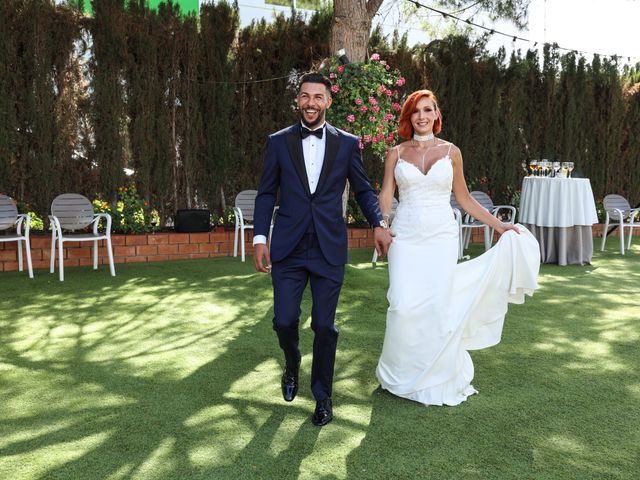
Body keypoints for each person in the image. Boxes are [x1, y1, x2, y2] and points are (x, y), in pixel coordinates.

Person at [375, 89, 540, 406]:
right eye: (415, 111)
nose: (422, 116)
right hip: (405, 236)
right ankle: (399, 374)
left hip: (441, 237)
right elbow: (386, 194)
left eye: (428, 110)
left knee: (437, 306)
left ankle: (436, 376)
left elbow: (464, 199)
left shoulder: (452, 152)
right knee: (402, 303)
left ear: (436, 115)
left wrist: (498, 225)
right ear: (409, 117)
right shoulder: (395, 153)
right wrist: (381, 225)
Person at [253, 72, 393, 426]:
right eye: (305, 96)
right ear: (297, 100)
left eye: (318, 97)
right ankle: (291, 362)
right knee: (284, 320)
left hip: (329, 246)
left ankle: (322, 396)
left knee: (324, 325)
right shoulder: (278, 142)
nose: (311, 103)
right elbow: (267, 192)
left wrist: (378, 222)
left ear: (328, 101)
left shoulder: (347, 143)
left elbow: (362, 189)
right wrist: (259, 238)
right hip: (288, 246)